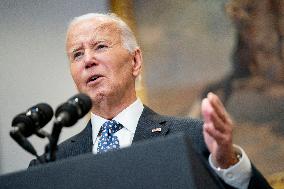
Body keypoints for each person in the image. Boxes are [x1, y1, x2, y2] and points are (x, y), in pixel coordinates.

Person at [30, 13, 271, 188]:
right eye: (77, 54)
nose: (88, 60)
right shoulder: (49, 165)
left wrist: (228, 163)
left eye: (100, 46)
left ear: (135, 62)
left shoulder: (193, 138)